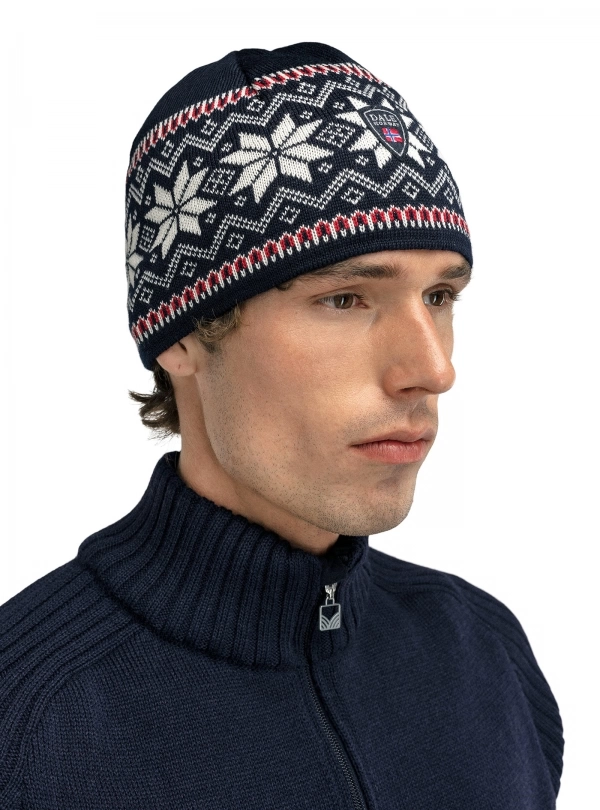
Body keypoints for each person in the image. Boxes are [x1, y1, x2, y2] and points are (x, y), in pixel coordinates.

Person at [0, 41, 564, 809]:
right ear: (181, 335)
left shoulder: (485, 658)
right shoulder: (27, 724)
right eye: (345, 299)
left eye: (439, 297)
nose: (432, 369)